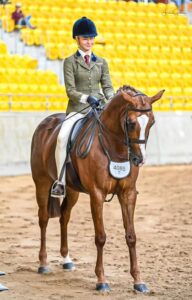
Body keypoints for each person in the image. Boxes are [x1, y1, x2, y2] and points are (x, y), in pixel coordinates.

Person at [51, 16, 114, 197]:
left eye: (92, 38)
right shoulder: (69, 62)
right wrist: (87, 98)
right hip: (78, 109)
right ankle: (60, 182)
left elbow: (108, 86)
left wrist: (111, 100)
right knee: (62, 138)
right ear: (77, 39)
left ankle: (121, 174)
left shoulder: (101, 62)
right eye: (85, 38)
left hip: (100, 108)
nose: (89, 42)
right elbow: (70, 91)